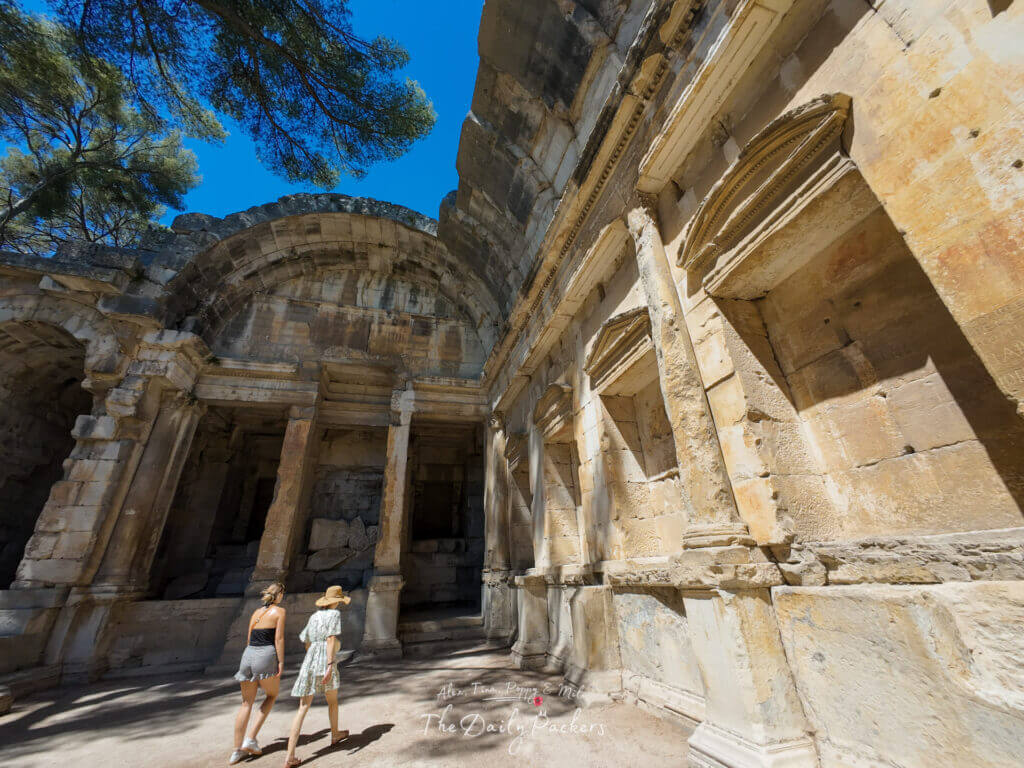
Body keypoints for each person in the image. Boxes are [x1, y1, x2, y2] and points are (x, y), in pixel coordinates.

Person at [282, 585, 351, 767]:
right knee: (332, 700)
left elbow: (306, 640)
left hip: (310, 659)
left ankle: (290, 754)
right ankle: (335, 733)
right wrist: (329, 663)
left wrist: (313, 656)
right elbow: (331, 639)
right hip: (325, 659)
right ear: (336, 601)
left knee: (303, 707)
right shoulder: (334, 615)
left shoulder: (314, 616)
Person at [229, 581, 286, 765]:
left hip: (249, 655)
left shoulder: (255, 613)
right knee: (272, 694)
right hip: (265, 653)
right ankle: (250, 739)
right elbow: (278, 638)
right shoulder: (279, 612)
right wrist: (281, 661)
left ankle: (236, 751)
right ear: (279, 595)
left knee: (246, 703)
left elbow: (248, 638)